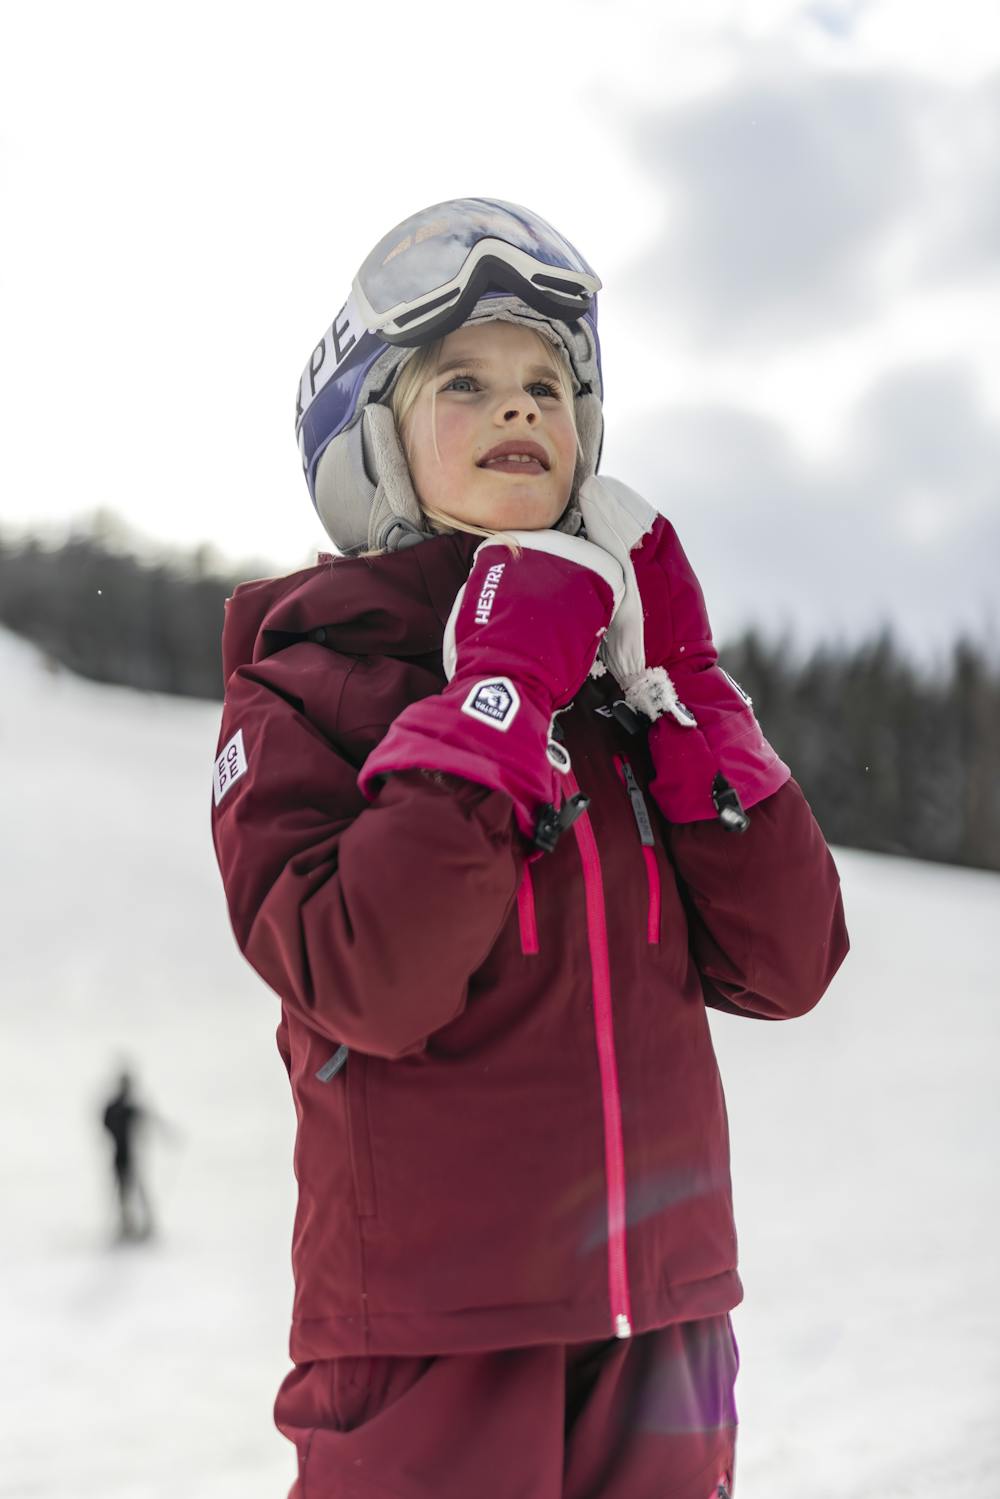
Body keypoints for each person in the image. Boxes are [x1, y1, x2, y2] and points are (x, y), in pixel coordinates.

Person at [211, 198, 850, 1499]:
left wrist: (682, 686)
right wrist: (494, 691)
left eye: (549, 384)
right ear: (373, 440)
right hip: (434, 1335)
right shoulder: (303, 688)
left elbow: (789, 959)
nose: (521, 409)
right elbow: (370, 974)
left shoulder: (616, 704)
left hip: (665, 1335)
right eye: (467, 381)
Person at [101, 1068, 155, 1242]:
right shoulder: (117, 1108)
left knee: (137, 1191)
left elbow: (148, 1120)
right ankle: (126, 1225)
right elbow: (106, 1124)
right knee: (124, 1193)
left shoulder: (129, 1108)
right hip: (121, 1155)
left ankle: (143, 1225)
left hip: (130, 1156)